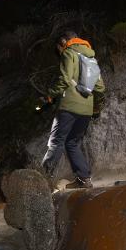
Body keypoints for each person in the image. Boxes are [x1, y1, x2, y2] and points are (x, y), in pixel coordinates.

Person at [41, 28, 105, 188]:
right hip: (86, 110)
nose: (59, 51)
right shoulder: (91, 57)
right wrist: (96, 107)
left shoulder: (68, 53)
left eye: (59, 48)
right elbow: (100, 87)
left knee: (56, 141)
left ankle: (42, 180)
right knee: (72, 143)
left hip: (69, 107)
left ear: (64, 42)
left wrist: (50, 94)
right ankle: (84, 179)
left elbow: (65, 79)